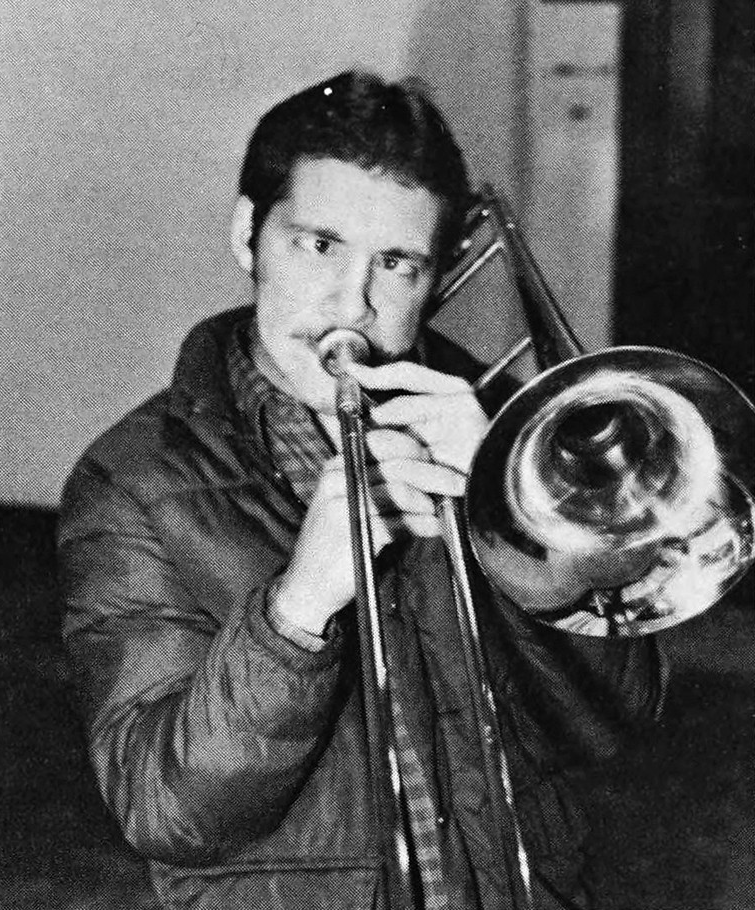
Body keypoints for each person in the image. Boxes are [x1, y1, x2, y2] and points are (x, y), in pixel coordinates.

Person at [58, 71, 667, 910]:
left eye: (397, 264)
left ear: (436, 276)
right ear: (247, 235)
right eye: (319, 245)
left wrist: (520, 527)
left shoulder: (495, 427)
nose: (353, 303)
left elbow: (616, 717)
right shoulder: (130, 480)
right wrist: (298, 607)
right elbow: (166, 811)